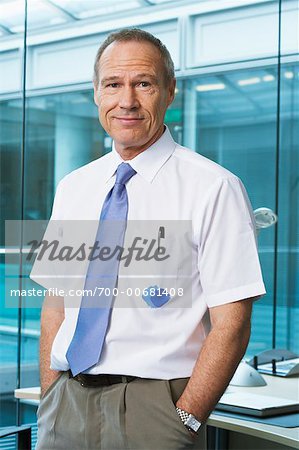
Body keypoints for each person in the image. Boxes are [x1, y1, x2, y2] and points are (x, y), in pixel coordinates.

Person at [31, 28, 266, 450]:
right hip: (64, 406)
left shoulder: (213, 187)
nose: (127, 101)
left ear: (169, 91)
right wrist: (50, 394)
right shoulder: (73, 187)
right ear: (96, 94)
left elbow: (232, 323)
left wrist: (185, 419)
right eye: (113, 85)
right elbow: (56, 304)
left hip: (155, 411)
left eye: (144, 83)